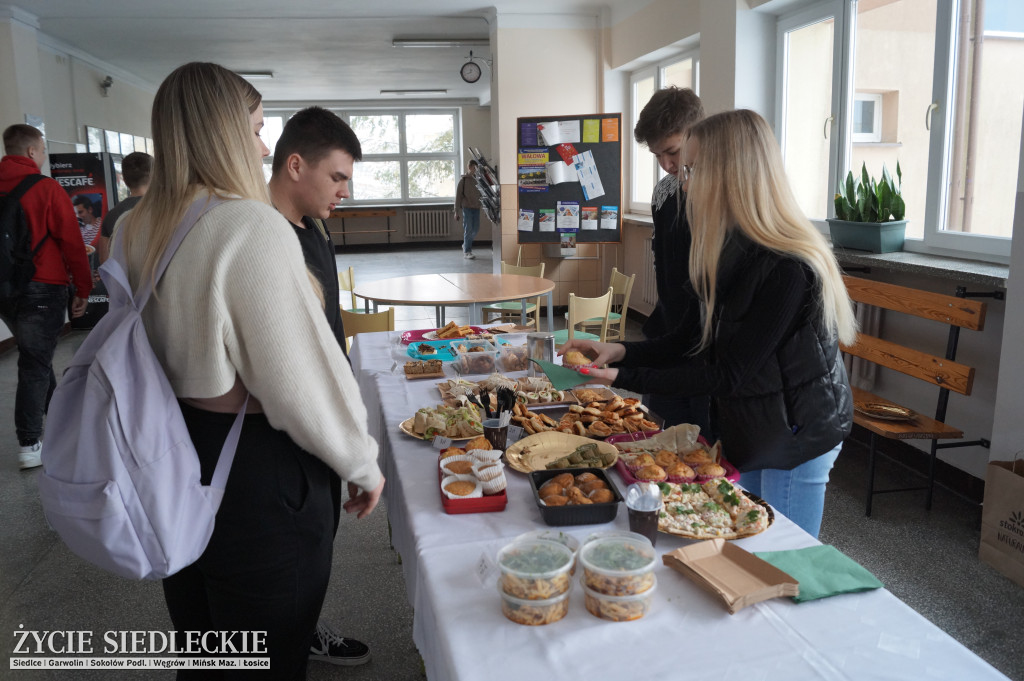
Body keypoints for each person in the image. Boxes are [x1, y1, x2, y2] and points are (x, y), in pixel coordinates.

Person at [115, 62, 384, 678]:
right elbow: (297, 384)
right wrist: (360, 462)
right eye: (257, 128)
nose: (265, 146)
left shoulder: (134, 225)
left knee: (203, 642)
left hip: (170, 455)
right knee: (269, 655)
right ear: (218, 132)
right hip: (256, 475)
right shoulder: (249, 225)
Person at [562, 109, 855, 538]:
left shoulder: (789, 268)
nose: (683, 180)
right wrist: (621, 351)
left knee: (781, 555)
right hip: (751, 428)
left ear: (729, 176)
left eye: (693, 169)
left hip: (795, 437)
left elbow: (728, 373)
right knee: (742, 541)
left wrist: (624, 375)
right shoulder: (726, 245)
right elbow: (689, 336)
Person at [267, 105, 375, 668]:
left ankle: (303, 627)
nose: (344, 192)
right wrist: (354, 455)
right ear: (295, 165)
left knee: (318, 543)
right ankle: (291, 636)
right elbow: (290, 370)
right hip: (285, 432)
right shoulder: (265, 240)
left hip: (322, 425)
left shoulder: (312, 229)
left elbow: (328, 341)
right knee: (295, 553)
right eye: (337, 177)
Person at [0, 124, 92, 470]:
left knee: (34, 355)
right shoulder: (45, 188)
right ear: (31, 152)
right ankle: (28, 442)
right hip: (43, 285)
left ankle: (59, 425)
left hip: (5, 290)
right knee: (35, 363)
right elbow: (71, 242)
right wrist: (82, 288)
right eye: (41, 149)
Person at [632, 86, 711, 436]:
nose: (667, 164)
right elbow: (665, 266)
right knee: (659, 438)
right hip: (670, 333)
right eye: (657, 155)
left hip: (708, 345)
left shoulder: (722, 192)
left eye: (673, 151)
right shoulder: (664, 192)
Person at [98, 151, 152, 263]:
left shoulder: (111, 216)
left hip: (125, 279)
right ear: (153, 177)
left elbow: (105, 261)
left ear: (125, 180)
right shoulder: (166, 211)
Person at [454, 159, 481, 259]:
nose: (475, 170)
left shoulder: (479, 180)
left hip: (476, 207)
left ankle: (465, 243)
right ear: (469, 167)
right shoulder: (463, 181)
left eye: (476, 168)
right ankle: (467, 251)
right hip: (467, 208)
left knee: (476, 229)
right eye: (474, 168)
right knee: (468, 229)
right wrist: (456, 211)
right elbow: (458, 197)